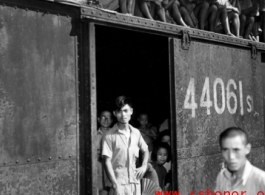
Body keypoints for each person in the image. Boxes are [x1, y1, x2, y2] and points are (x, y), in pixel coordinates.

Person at [102, 96, 149, 195]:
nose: (123, 114)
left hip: (135, 183)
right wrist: (115, 185)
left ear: (131, 111)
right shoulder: (109, 135)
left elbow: (145, 150)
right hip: (119, 185)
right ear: (115, 113)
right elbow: (107, 161)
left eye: (126, 110)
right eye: (119, 111)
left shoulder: (136, 133)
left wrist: (144, 166)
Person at [215, 127, 265, 194]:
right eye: (225, 150)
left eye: (236, 150)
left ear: (247, 149)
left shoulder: (261, 180)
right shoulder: (222, 177)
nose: (231, 156)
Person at [97, 110, 113, 195]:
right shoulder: (93, 135)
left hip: (112, 169)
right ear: (98, 119)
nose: (106, 120)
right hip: (99, 170)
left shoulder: (115, 135)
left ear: (112, 121)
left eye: (109, 117)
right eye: (103, 117)